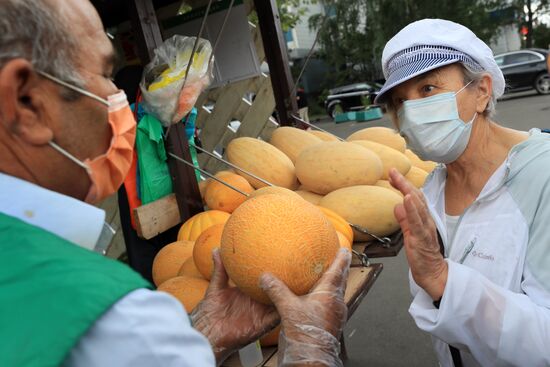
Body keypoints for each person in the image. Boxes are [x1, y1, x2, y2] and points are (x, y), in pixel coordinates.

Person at [0, 1, 351, 366]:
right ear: (27, 102)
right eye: (106, 75)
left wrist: (205, 333)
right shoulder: (120, 325)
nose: (119, 99)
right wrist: (312, 348)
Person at [374, 19, 550, 366]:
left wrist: (444, 280)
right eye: (400, 101)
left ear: (482, 90)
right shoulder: (431, 189)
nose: (411, 111)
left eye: (427, 89)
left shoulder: (541, 174)